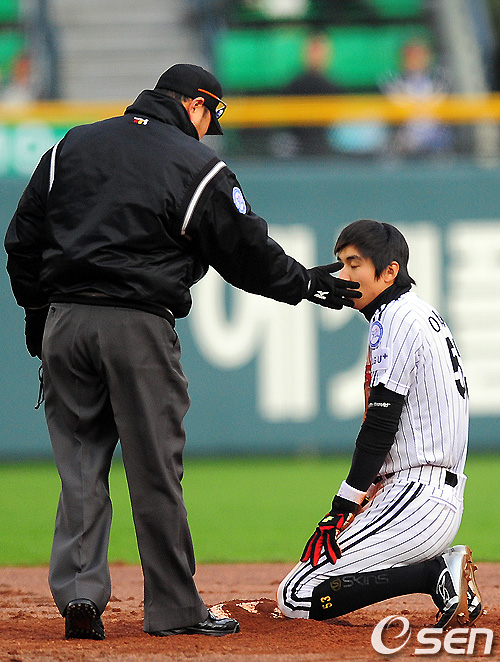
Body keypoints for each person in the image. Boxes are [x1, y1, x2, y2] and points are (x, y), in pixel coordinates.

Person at [4, 63, 361, 641]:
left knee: (81, 469)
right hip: (138, 325)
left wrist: (38, 315)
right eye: (208, 119)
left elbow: (22, 239)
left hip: (65, 322)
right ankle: (174, 609)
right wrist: (304, 282)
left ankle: (79, 597)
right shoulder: (194, 164)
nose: (206, 132)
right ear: (196, 104)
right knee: (155, 472)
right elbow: (245, 251)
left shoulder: (71, 145)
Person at [278, 219, 482, 629]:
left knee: (296, 596)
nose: (343, 274)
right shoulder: (412, 312)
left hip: (418, 498)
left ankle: (435, 574)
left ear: (389, 272)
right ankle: (434, 569)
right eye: (340, 263)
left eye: (354, 264)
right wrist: (370, 489)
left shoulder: (396, 318)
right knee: (302, 586)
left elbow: (381, 423)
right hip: (418, 492)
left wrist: (343, 505)